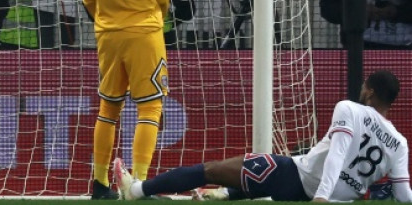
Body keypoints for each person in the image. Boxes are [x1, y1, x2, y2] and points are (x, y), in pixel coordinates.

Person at [114, 70, 412, 202]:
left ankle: (136, 190)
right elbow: (403, 196)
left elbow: (338, 153)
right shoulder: (400, 144)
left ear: (369, 91)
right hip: (329, 195)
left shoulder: (350, 108)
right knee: (260, 173)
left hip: (296, 179)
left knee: (211, 170)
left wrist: (322, 196)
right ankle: (223, 194)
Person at [75, 0, 170, 199]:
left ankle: (100, 183)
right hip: (144, 30)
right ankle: (138, 186)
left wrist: (106, 18)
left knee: (108, 108)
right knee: (150, 108)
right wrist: (158, 14)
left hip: (108, 33)